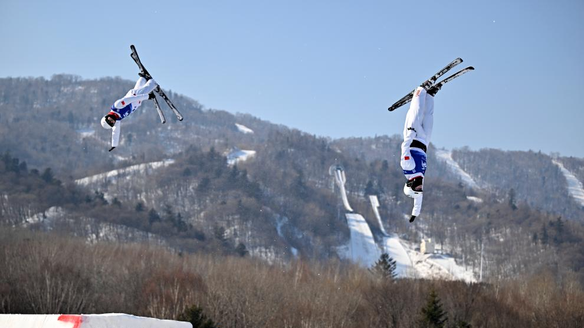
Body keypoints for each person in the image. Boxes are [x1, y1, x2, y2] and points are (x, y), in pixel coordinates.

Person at [400, 84, 440, 223]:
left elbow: (404, 147)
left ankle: (420, 91)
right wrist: (415, 213)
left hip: (414, 136)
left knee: (416, 114)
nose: (420, 186)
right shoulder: (419, 179)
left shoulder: (408, 167)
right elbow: (418, 198)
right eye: (420, 188)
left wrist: (410, 134)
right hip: (424, 143)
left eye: (417, 187)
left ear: (410, 184)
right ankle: (430, 96)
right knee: (429, 117)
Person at [100, 72, 158, 151]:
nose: (112, 121)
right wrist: (114, 144)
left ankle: (153, 83)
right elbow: (115, 132)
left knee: (141, 91)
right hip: (135, 104)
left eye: (109, 120)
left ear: (107, 116)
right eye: (112, 123)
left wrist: (147, 96)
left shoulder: (117, 106)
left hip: (134, 96)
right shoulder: (117, 120)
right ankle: (143, 79)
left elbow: (131, 99)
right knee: (139, 88)